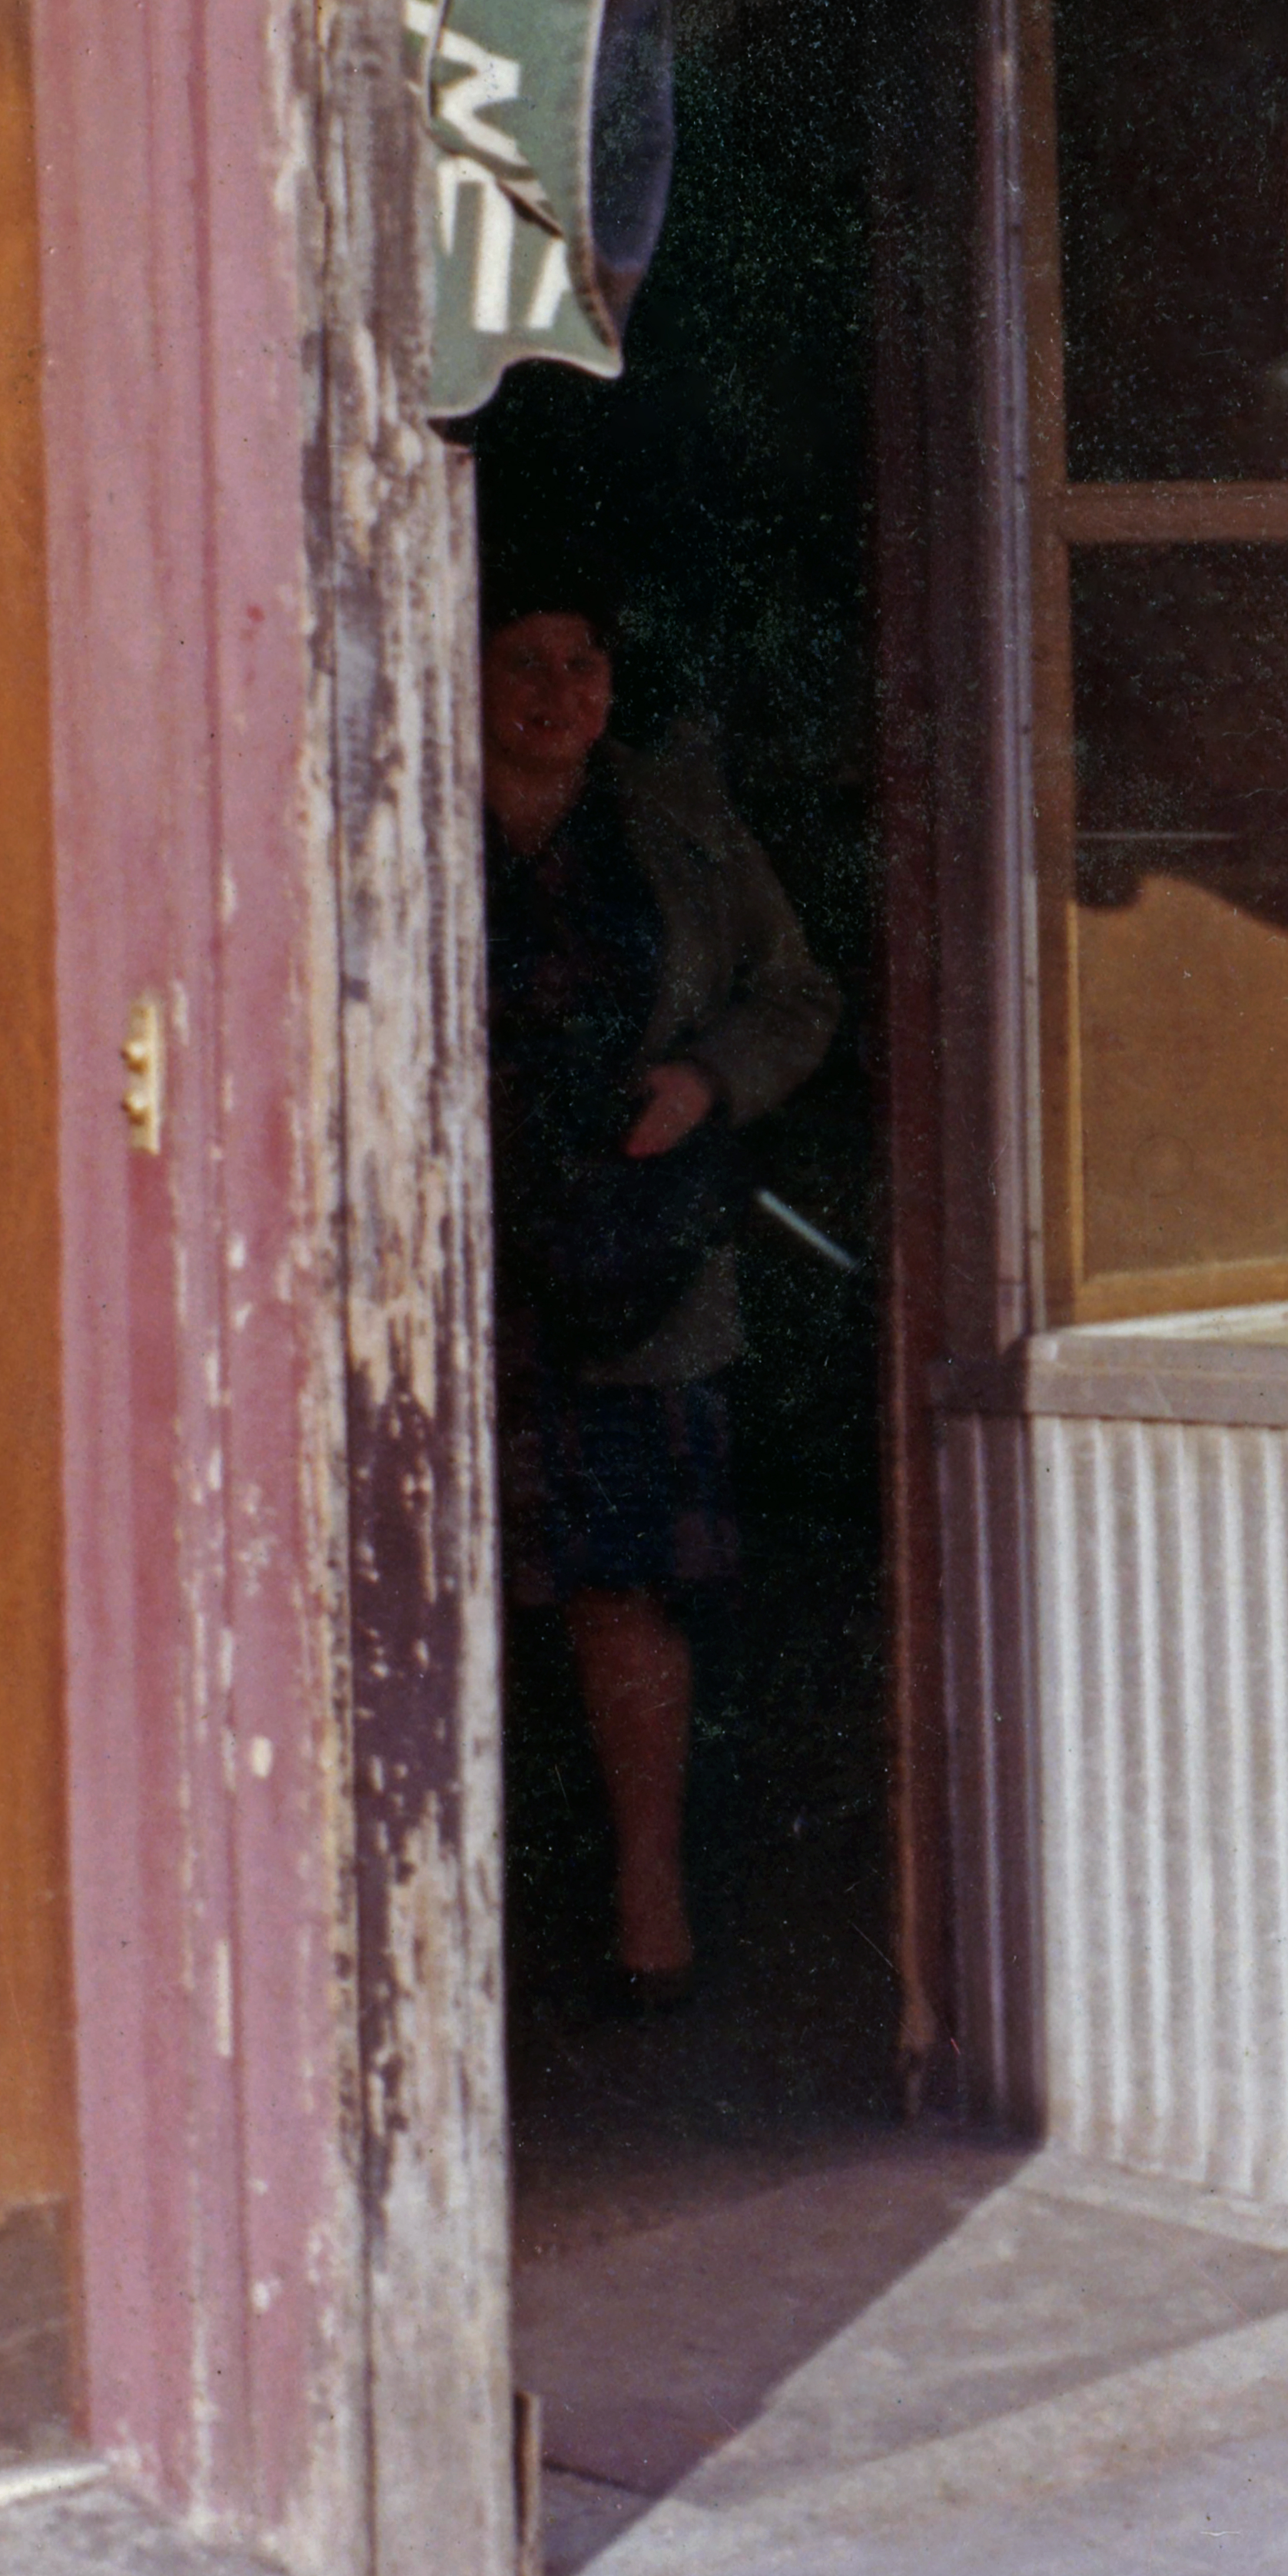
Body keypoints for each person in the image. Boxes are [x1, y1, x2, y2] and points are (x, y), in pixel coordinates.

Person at [480, 575, 839, 2004]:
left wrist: (703, 1081)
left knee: (621, 1579)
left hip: (630, 1252)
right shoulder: (382, 788)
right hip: (444, 1254)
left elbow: (798, 991)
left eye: (585, 660)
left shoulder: (677, 821)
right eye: (523, 662)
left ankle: (650, 1899)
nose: (558, 692)